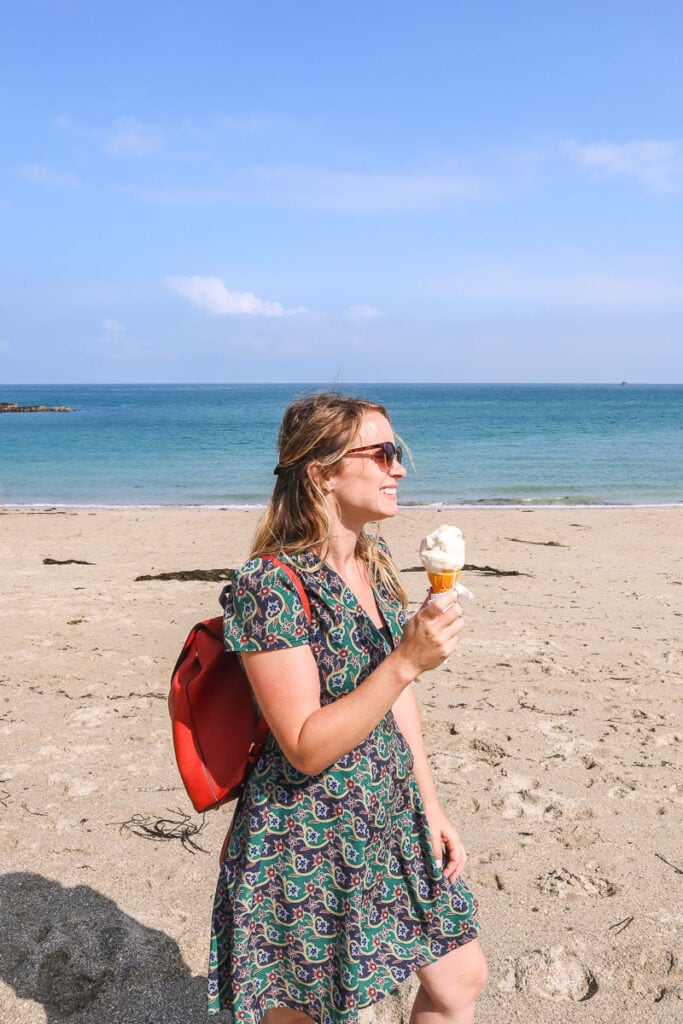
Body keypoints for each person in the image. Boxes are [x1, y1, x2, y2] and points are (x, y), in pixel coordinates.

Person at [208, 392, 486, 1024]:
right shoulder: (269, 585)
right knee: (310, 1013)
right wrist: (406, 661)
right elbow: (303, 745)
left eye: (399, 452)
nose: (400, 468)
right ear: (322, 472)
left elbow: (398, 704)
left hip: (389, 814)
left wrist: (431, 805)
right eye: (383, 452)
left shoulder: (374, 562)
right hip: (305, 837)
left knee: (460, 979)